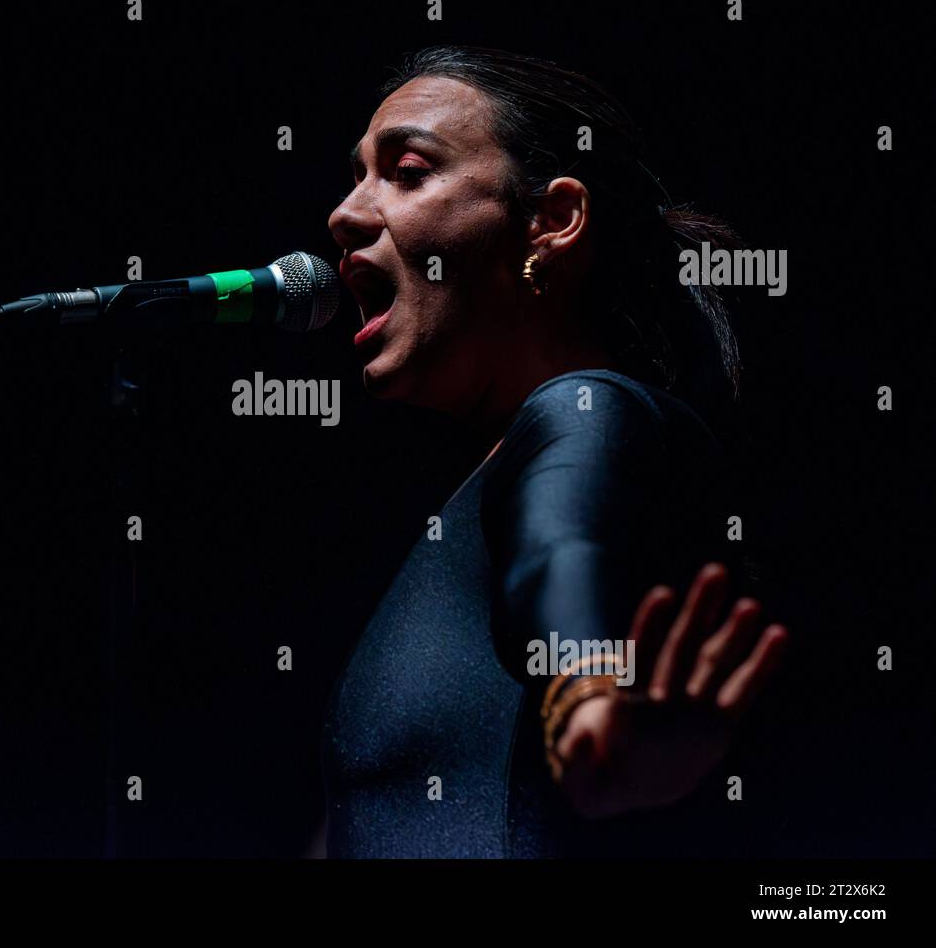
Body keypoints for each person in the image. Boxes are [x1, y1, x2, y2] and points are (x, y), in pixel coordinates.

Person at [316, 45, 790, 858]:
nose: (345, 213)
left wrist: (589, 698)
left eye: (407, 170)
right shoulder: (482, 488)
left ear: (553, 221)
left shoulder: (583, 408)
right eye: (357, 174)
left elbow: (562, 552)